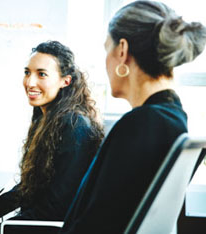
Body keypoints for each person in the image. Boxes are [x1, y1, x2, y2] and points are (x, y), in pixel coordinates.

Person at [58, 1, 206, 233]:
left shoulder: (141, 125)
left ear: (122, 51)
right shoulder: (173, 118)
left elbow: (94, 225)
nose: (105, 60)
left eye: (107, 49)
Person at [0, 41, 104, 234]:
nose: (30, 82)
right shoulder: (46, 118)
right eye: (27, 72)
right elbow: (35, 185)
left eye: (42, 74)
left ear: (65, 80)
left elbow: (57, 207)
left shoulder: (75, 126)